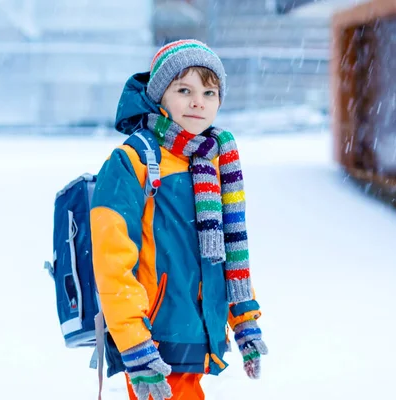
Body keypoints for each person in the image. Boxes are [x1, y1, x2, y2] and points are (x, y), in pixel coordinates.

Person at [90, 39, 268, 400]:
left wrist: (244, 321)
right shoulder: (134, 160)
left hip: (194, 332)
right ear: (160, 97)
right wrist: (134, 342)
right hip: (154, 337)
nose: (198, 101)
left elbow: (228, 254)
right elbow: (111, 264)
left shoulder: (216, 163)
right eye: (184, 89)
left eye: (209, 91)